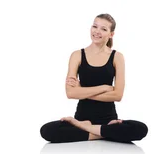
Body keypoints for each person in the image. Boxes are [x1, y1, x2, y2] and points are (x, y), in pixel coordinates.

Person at [40, 13, 148, 143]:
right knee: (47, 131)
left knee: (141, 129)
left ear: (111, 34)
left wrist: (81, 91)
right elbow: (70, 93)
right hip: (82, 117)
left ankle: (86, 128)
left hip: (108, 121)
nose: (97, 31)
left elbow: (118, 95)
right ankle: (104, 133)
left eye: (103, 29)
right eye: (95, 26)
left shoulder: (117, 57)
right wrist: (103, 88)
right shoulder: (77, 55)